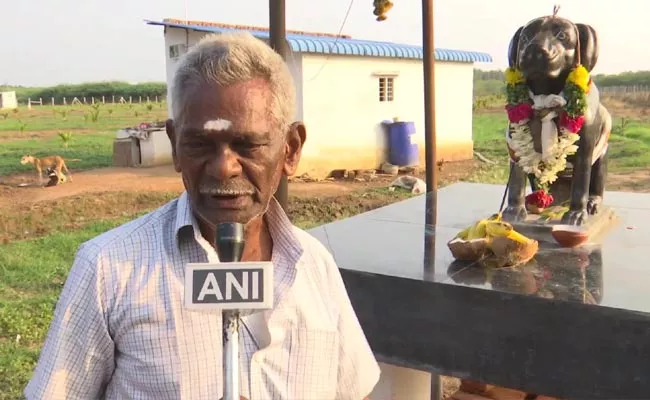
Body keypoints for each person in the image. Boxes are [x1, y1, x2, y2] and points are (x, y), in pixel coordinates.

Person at [25, 31, 380, 400]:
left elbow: (355, 392)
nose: (224, 168)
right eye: (199, 145)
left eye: (248, 145)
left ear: (290, 150)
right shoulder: (108, 269)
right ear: (176, 145)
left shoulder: (315, 265)